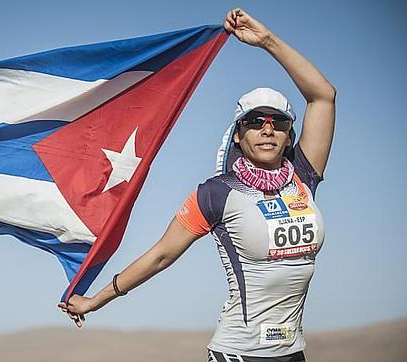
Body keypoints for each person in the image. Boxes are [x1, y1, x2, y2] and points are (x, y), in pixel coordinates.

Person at [59, 8, 335, 362]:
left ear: (288, 134)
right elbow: (161, 256)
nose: (267, 129)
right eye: (255, 121)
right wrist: (96, 300)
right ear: (239, 133)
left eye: (278, 122)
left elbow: (323, 96)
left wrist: (266, 41)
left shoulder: (304, 174)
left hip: (293, 352)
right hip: (237, 354)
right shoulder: (215, 193)